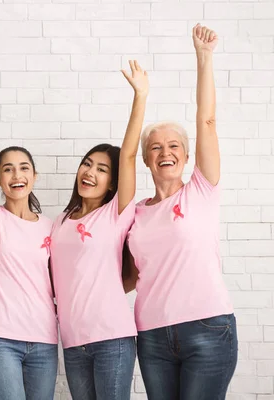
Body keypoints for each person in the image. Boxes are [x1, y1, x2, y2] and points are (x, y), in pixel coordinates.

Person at [125, 25, 237, 399]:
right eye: (155, 148)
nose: (165, 152)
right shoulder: (136, 213)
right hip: (153, 336)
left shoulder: (201, 191)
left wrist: (204, 58)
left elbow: (207, 121)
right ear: (146, 159)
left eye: (174, 146)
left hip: (207, 327)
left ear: (187, 156)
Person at [51, 60, 149, 399]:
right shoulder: (61, 221)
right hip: (73, 341)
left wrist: (140, 95)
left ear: (113, 182)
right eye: (87, 163)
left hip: (112, 338)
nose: (89, 172)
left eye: (102, 169)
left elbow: (130, 155)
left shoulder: (115, 214)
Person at [0, 67, 58, 400]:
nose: (16, 175)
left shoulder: (52, 227)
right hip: (0, 336)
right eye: (8, 169)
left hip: (44, 338)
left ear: (34, 175)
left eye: (23, 168)